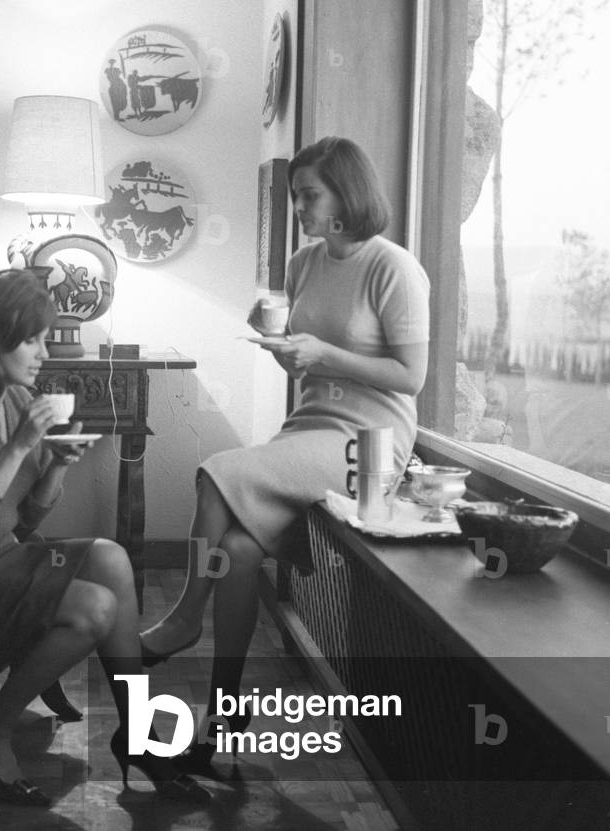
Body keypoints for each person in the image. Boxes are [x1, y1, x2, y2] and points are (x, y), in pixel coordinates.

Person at [139, 136, 430, 769]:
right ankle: (225, 710)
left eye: (309, 195)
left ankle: (184, 618)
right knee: (238, 553)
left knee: (217, 470)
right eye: (296, 195)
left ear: (347, 194)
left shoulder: (394, 268)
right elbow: (304, 363)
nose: (299, 207)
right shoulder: (303, 264)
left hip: (372, 443)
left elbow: (411, 378)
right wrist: (280, 341)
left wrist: (323, 353)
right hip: (310, 427)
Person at [0, 269, 209, 807]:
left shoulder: (10, 396)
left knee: (110, 557)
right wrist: (18, 447)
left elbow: (22, 521)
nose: (43, 353)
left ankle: (141, 733)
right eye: (30, 340)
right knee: (94, 608)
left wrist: (55, 464)